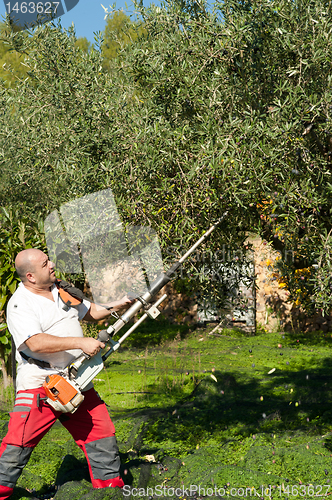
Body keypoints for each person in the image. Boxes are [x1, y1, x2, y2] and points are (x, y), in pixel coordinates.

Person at [0, 248, 134, 499]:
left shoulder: (60, 289)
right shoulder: (20, 304)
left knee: (101, 433)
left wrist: (120, 304)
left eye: (48, 260)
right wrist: (80, 343)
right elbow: (35, 343)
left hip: (75, 378)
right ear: (30, 276)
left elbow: (91, 312)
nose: (51, 265)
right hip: (41, 383)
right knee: (17, 446)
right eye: (44, 263)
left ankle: (109, 491)